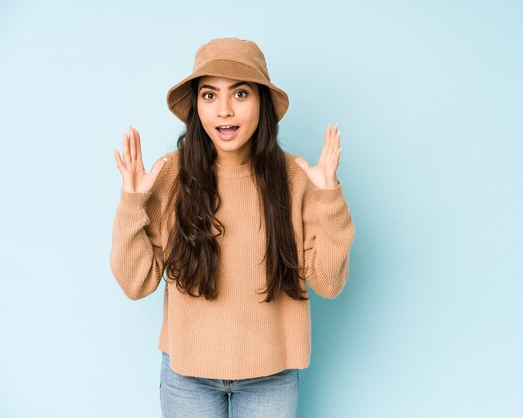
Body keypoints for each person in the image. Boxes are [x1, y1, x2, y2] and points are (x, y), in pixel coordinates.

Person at [109, 37, 355, 418]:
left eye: (240, 93)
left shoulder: (296, 178)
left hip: (271, 377)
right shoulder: (170, 176)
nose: (223, 110)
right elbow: (135, 283)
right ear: (196, 106)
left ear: (262, 103)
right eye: (209, 96)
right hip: (187, 377)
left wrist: (328, 199)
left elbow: (329, 283)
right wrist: (132, 204)